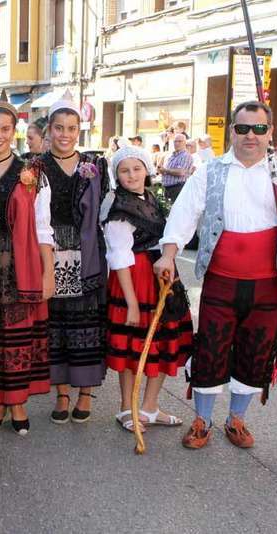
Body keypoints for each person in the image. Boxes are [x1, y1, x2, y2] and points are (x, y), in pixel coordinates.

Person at [154, 101, 277, 450]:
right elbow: (184, 213)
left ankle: (236, 419)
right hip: (220, 281)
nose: (250, 136)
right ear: (232, 131)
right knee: (210, 349)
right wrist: (168, 253)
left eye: (259, 129)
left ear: (270, 132)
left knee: (255, 351)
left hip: (268, 285)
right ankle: (202, 420)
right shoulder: (210, 172)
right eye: (243, 128)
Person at [0, 101, 54, 436]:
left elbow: (43, 227)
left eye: (5, 129)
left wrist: (48, 272)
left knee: (16, 336)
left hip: (19, 262)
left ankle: (16, 402)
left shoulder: (31, 172)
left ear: (14, 131)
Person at [103, 146, 193, 432]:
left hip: (161, 273)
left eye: (137, 168)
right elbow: (119, 257)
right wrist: (130, 303)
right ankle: (126, 408)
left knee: (163, 341)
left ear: (147, 169)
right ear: (117, 175)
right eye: (124, 170)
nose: (131, 175)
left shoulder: (151, 197)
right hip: (135, 278)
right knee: (134, 346)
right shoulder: (118, 208)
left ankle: (150, 407)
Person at [37, 96, 109, 424]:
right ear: (49, 130)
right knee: (57, 328)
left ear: (79, 130)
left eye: (71, 128)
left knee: (86, 327)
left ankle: (85, 393)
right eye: (59, 128)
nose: (65, 134)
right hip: (50, 252)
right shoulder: (36, 166)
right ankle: (62, 394)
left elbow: (106, 209)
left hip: (87, 252)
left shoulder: (95, 165)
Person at [158, 133, 192, 202]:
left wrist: (165, 170)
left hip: (178, 188)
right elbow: (163, 170)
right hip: (167, 188)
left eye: (180, 141)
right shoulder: (170, 155)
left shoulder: (185, 156)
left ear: (185, 143)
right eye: (175, 141)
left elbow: (180, 172)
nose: (177, 143)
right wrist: (160, 169)